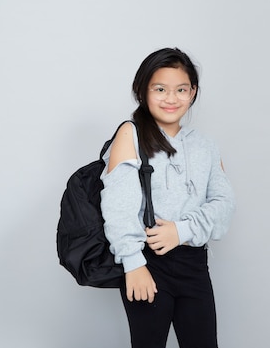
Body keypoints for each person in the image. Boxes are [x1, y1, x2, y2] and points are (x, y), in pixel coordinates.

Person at [100, 47, 236, 348]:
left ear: (193, 92)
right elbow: (118, 205)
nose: (171, 98)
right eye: (160, 89)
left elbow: (225, 205)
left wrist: (181, 230)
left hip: (195, 266)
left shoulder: (206, 146)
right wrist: (133, 264)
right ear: (143, 90)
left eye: (181, 89)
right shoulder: (130, 134)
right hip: (148, 263)